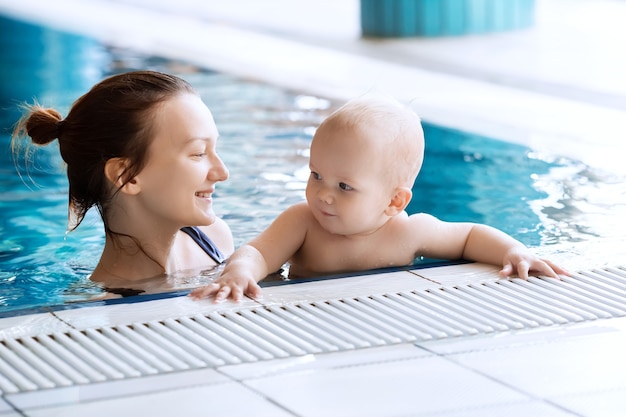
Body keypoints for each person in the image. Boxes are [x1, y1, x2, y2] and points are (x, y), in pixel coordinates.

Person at [191, 96, 568, 303]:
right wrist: (239, 272)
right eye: (316, 174)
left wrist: (514, 251)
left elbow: (469, 236)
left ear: (394, 202)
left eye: (345, 187)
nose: (322, 193)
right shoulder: (302, 222)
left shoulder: (409, 231)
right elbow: (258, 252)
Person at [12, 70, 234, 295]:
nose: (222, 172)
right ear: (127, 175)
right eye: (198, 153)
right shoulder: (98, 304)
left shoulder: (215, 239)